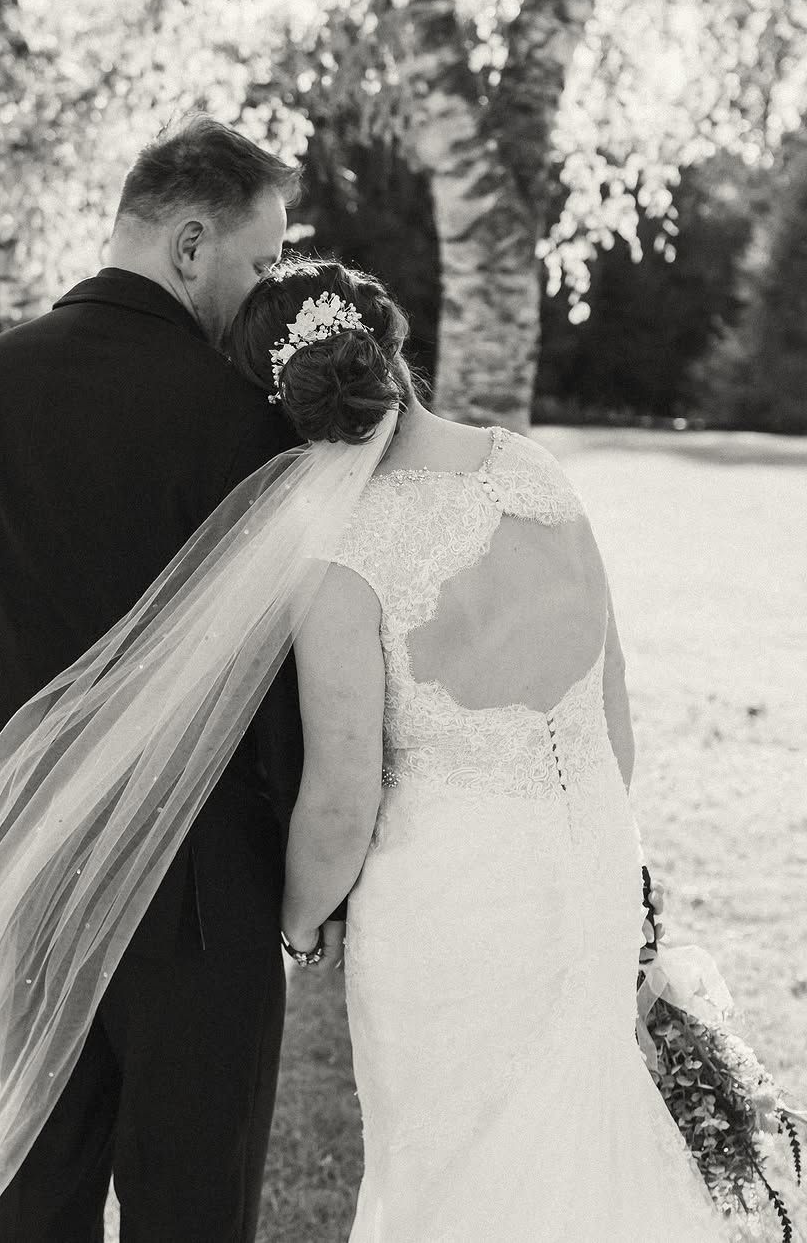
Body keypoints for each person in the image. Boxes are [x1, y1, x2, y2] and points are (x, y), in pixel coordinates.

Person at [225, 256, 739, 1240]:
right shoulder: (530, 468)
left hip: (453, 901)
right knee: (577, 1145)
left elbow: (340, 800)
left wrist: (293, 922)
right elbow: (610, 697)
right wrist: (601, 851)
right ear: (398, 345)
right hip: (592, 856)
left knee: (459, 1167)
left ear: (283, 405)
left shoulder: (344, 547)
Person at [0, 114, 313, 1242]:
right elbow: (275, 693)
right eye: (261, 260)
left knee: (32, 1200)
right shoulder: (246, 426)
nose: (269, 290)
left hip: (13, 870)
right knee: (192, 1211)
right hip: (198, 899)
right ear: (189, 243)